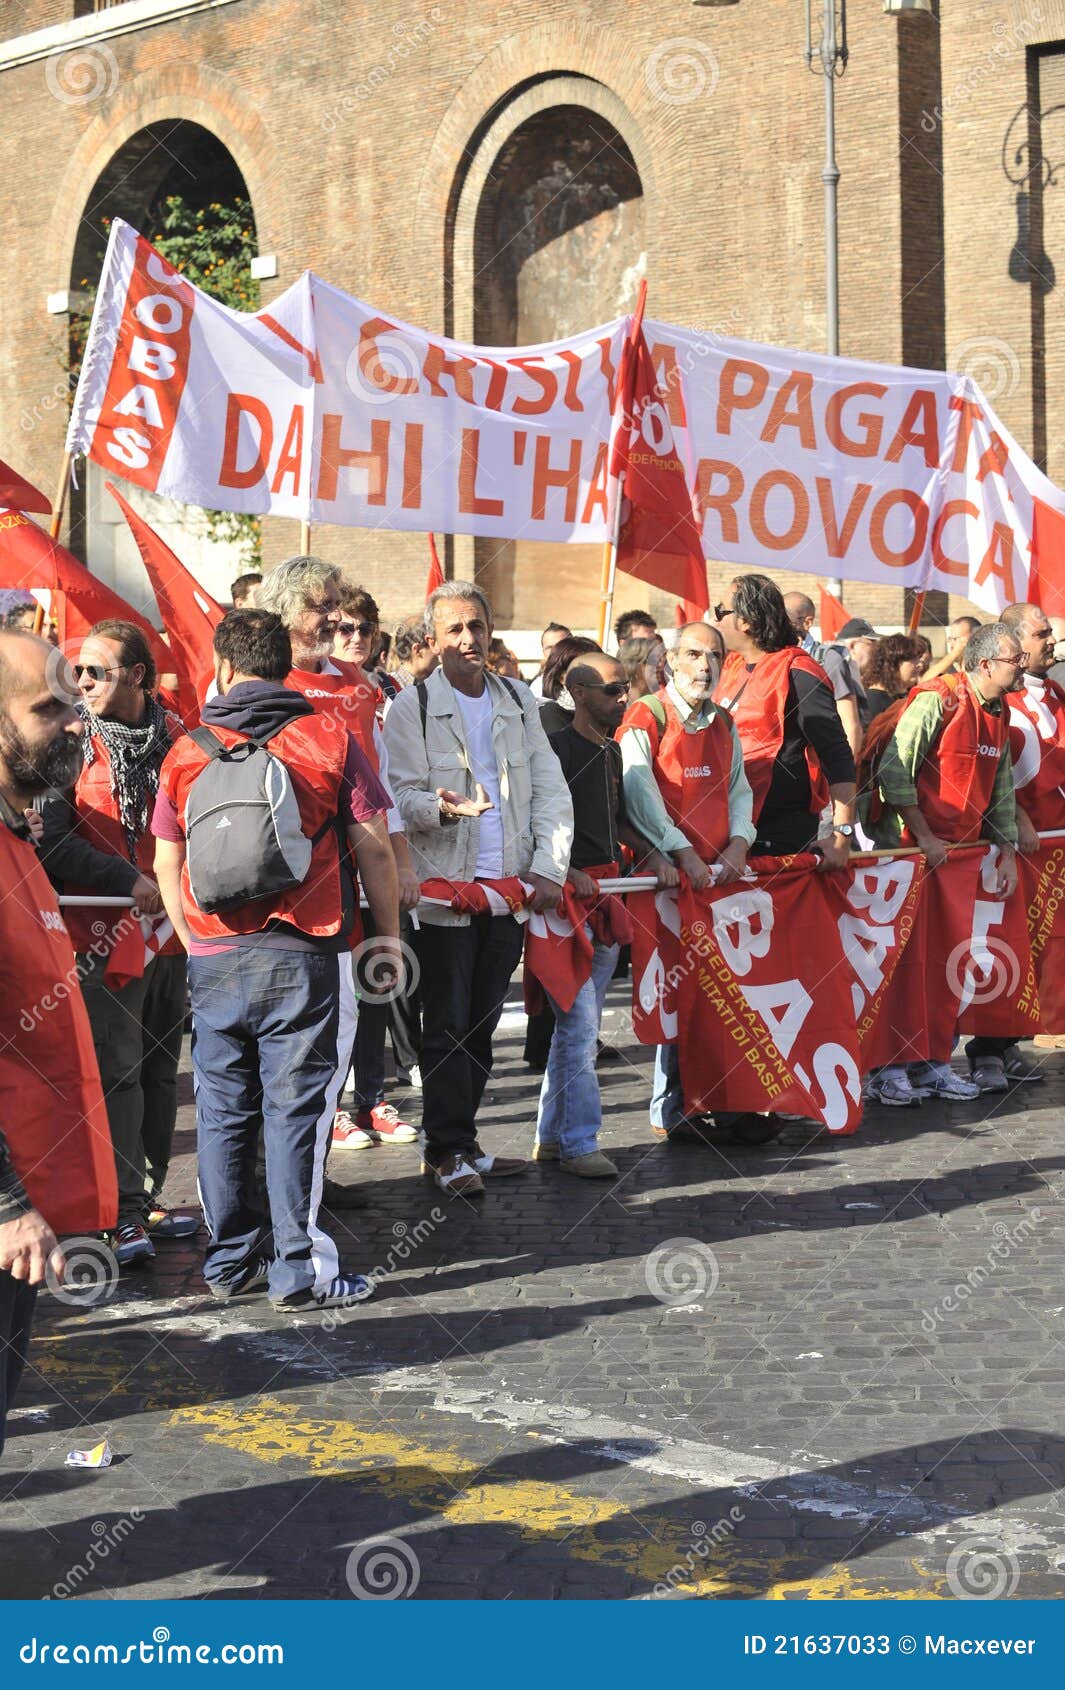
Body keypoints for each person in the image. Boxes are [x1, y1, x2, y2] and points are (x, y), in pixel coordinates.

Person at [152, 610, 400, 1311]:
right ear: (284, 667)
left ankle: (229, 1262)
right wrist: (387, 934)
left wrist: (194, 937)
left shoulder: (188, 747)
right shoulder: (328, 734)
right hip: (305, 948)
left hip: (215, 954)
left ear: (223, 668)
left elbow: (167, 860)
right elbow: (375, 847)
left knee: (223, 1113)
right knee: (297, 1112)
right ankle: (298, 1270)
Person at [383, 580, 573, 1196]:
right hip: (443, 891)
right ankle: (444, 1149)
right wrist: (441, 808)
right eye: (455, 629)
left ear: (490, 634)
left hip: (509, 891)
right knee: (445, 1023)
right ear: (433, 640)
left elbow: (550, 789)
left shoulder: (518, 699)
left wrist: (550, 866)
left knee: (485, 1022)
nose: (468, 639)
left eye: (477, 627)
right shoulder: (409, 707)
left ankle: (463, 1141)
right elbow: (396, 800)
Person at [256, 559, 420, 1161]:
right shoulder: (256, 685)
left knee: (345, 1021)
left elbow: (379, 796)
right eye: (320, 607)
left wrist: (399, 864)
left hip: (349, 882)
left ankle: (315, 1173)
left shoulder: (360, 685)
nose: (332, 618)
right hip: (279, 888)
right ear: (284, 614)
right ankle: (284, 1188)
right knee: (284, 1047)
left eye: (335, 605)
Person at [38, 620, 190, 1268]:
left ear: (136, 677)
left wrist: (174, 886)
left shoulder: (181, 738)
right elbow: (52, 840)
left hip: (172, 933)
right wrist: (129, 880)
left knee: (161, 1070)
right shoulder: (69, 741)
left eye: (95, 672)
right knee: (119, 1069)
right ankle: (120, 1213)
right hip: (99, 933)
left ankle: (147, 1197)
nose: (82, 684)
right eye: (78, 672)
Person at [0, 629, 115, 1454]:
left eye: (75, 704)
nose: (74, 723)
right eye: (49, 709)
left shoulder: (17, 835)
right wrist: (5, 1204)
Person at [865, 622, 1022, 1105]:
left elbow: (1001, 790)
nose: (1020, 668)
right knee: (905, 965)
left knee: (946, 965)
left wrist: (1008, 851)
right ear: (986, 664)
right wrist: (926, 837)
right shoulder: (938, 699)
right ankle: (885, 1068)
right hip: (911, 857)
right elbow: (895, 772)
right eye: (1014, 660)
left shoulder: (998, 711)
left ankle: (932, 1062)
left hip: (957, 864)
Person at [619, 620, 757, 1143]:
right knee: (670, 988)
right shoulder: (646, 715)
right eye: (694, 655)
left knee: (714, 989)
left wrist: (740, 843)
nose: (705, 665)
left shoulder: (723, 721)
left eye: (715, 656)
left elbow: (739, 788)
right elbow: (639, 795)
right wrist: (679, 851)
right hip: (668, 882)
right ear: (671, 662)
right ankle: (669, 1107)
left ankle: (709, 1097)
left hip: (715, 881)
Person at [534, 652, 665, 1176]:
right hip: (568, 904)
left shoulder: (610, 754)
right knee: (580, 1025)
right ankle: (579, 1140)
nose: (622, 699)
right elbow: (531, 825)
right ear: (579, 693)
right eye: (612, 690)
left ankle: (553, 1135)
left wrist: (654, 852)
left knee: (575, 1027)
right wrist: (563, 873)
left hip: (608, 896)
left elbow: (615, 821)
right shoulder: (554, 750)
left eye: (624, 689)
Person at [959, 600, 1063, 1089]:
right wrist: (1017, 818)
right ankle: (988, 1049)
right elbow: (998, 774)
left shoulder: (1056, 695)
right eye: (1041, 634)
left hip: (1055, 851)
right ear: (1016, 643)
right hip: (1017, 851)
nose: (1052, 642)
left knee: (1044, 951)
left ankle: (1016, 1039)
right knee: (1008, 947)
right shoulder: (999, 703)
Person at [329, 585, 419, 1146]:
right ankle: (333, 1104)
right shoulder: (301, 694)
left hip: (374, 863)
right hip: (323, 871)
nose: (356, 638)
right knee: (332, 996)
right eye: (344, 628)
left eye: (365, 629)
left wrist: (403, 866)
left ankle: (372, 1099)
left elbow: (385, 794)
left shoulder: (372, 699)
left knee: (376, 983)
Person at [714, 575, 857, 863]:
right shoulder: (730, 667)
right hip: (730, 827)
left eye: (721, 612)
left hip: (779, 834)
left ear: (746, 622)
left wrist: (841, 836)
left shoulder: (799, 671)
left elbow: (837, 754)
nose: (715, 621)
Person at [784, 591, 865, 758]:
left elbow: (849, 722)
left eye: (787, 619)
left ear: (807, 622)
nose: (778, 623)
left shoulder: (828, 660)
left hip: (821, 767)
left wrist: (845, 775)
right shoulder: (773, 657)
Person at [538, 634, 602, 735]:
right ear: (562, 677)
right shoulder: (550, 713)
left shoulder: (605, 710)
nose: (598, 675)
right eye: (588, 669)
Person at [863, 633, 921, 722]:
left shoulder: (903, 695)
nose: (919, 665)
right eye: (912, 659)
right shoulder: (872, 701)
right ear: (892, 663)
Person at [922, 614, 981, 682]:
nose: (951, 645)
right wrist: (954, 653)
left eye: (955, 639)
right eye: (950, 639)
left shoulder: (984, 665)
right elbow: (925, 682)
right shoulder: (950, 665)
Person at [618, 635, 668, 707]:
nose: (661, 665)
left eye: (661, 659)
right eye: (653, 660)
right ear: (632, 664)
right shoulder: (619, 705)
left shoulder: (662, 702)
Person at [392, 615, 439, 690]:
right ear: (417, 650)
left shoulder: (435, 686)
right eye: (434, 645)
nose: (440, 652)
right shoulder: (387, 691)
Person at [529, 622, 572, 700]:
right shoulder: (538, 686)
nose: (556, 651)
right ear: (544, 653)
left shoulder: (589, 676)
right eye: (550, 648)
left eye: (561, 645)